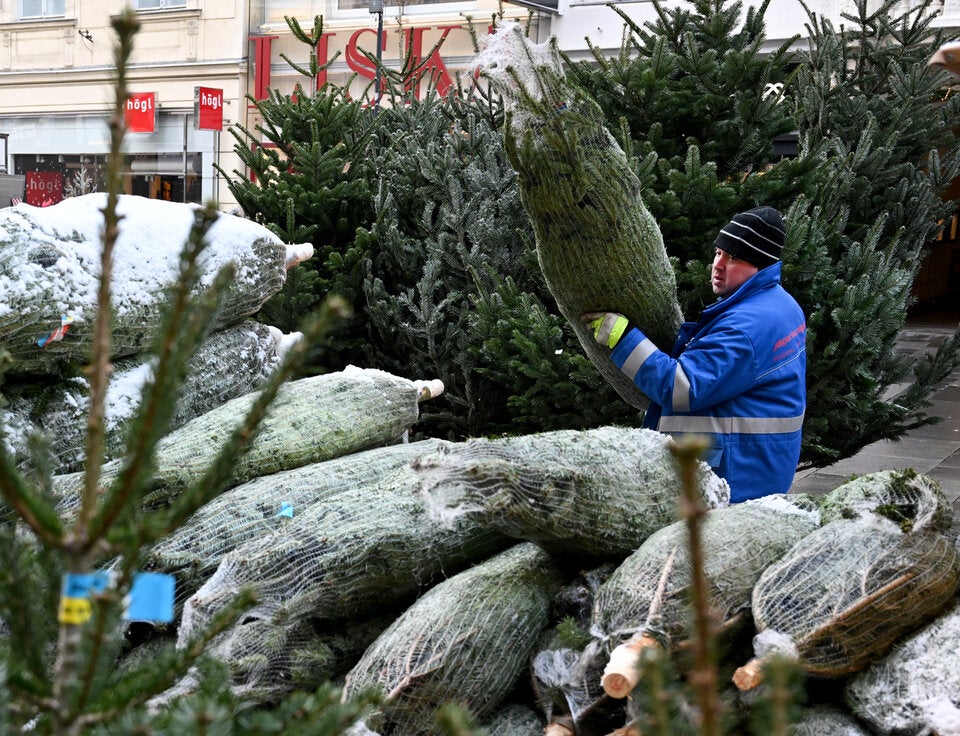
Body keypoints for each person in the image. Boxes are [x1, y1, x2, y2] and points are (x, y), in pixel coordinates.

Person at [581, 206, 806, 503]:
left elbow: (681, 387)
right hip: (758, 468)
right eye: (718, 253)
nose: (718, 265)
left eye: (734, 258)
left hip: (735, 481)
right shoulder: (779, 305)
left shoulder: (746, 328)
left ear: (760, 266)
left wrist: (622, 339)